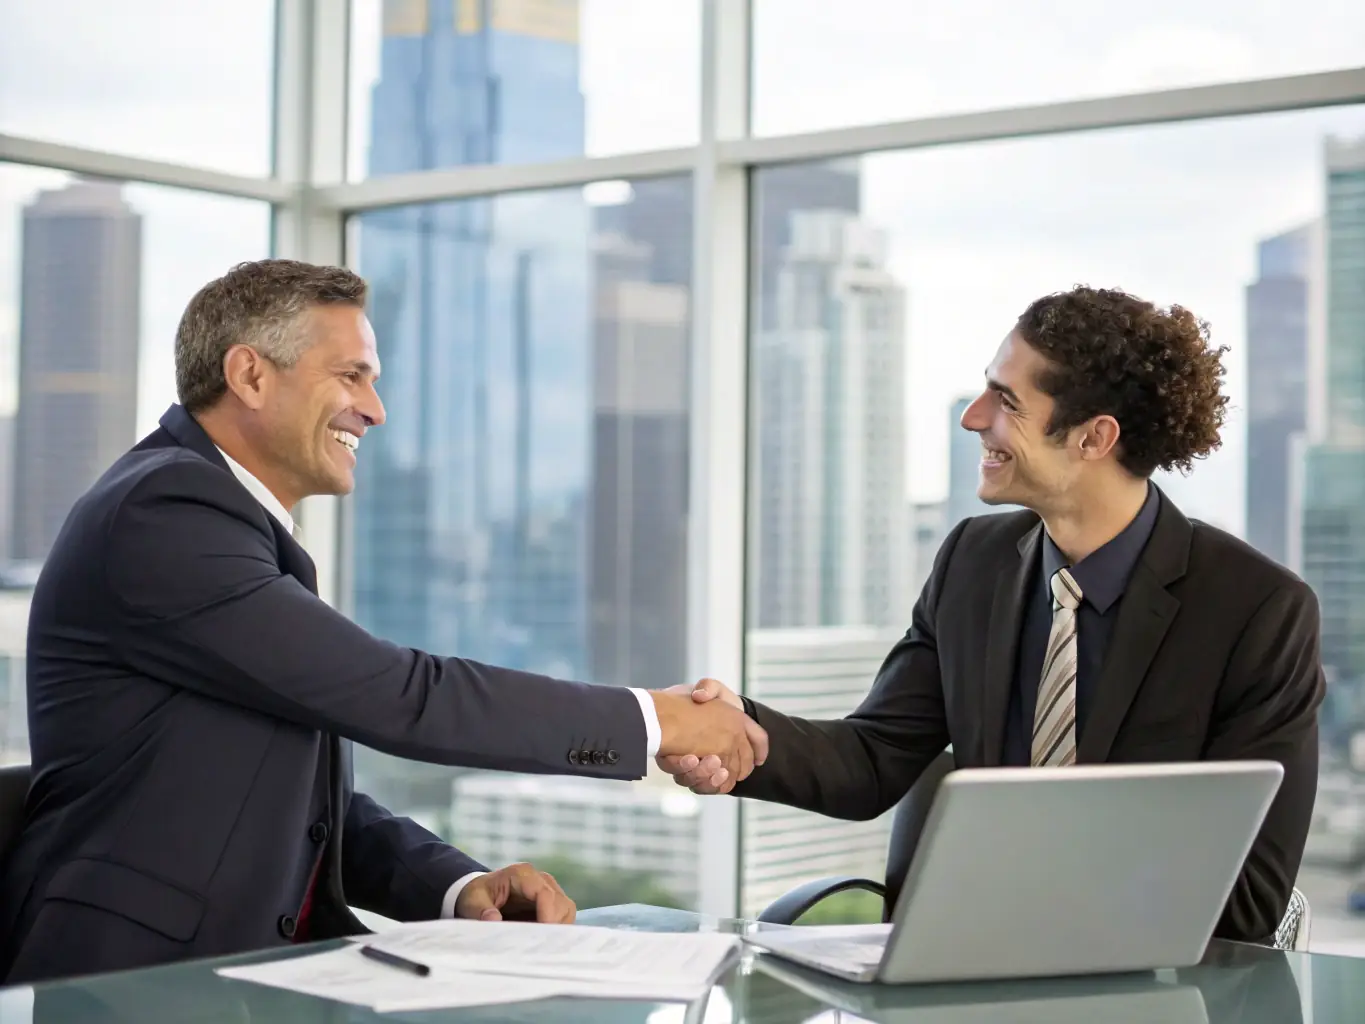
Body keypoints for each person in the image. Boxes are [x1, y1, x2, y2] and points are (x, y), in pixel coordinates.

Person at [0, 259, 766, 984]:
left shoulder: (229, 527)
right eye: (351, 376)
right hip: (128, 981)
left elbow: (296, 803)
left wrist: (456, 886)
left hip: (238, 975)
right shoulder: (164, 513)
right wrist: (656, 722)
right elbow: (401, 695)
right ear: (250, 375)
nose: (374, 409)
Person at [661, 286, 1325, 946]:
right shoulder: (972, 561)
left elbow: (1248, 903)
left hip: (1153, 987)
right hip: (963, 970)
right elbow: (875, 757)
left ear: (1094, 437)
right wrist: (737, 734)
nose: (972, 417)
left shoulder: (1255, 610)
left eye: (1006, 401)